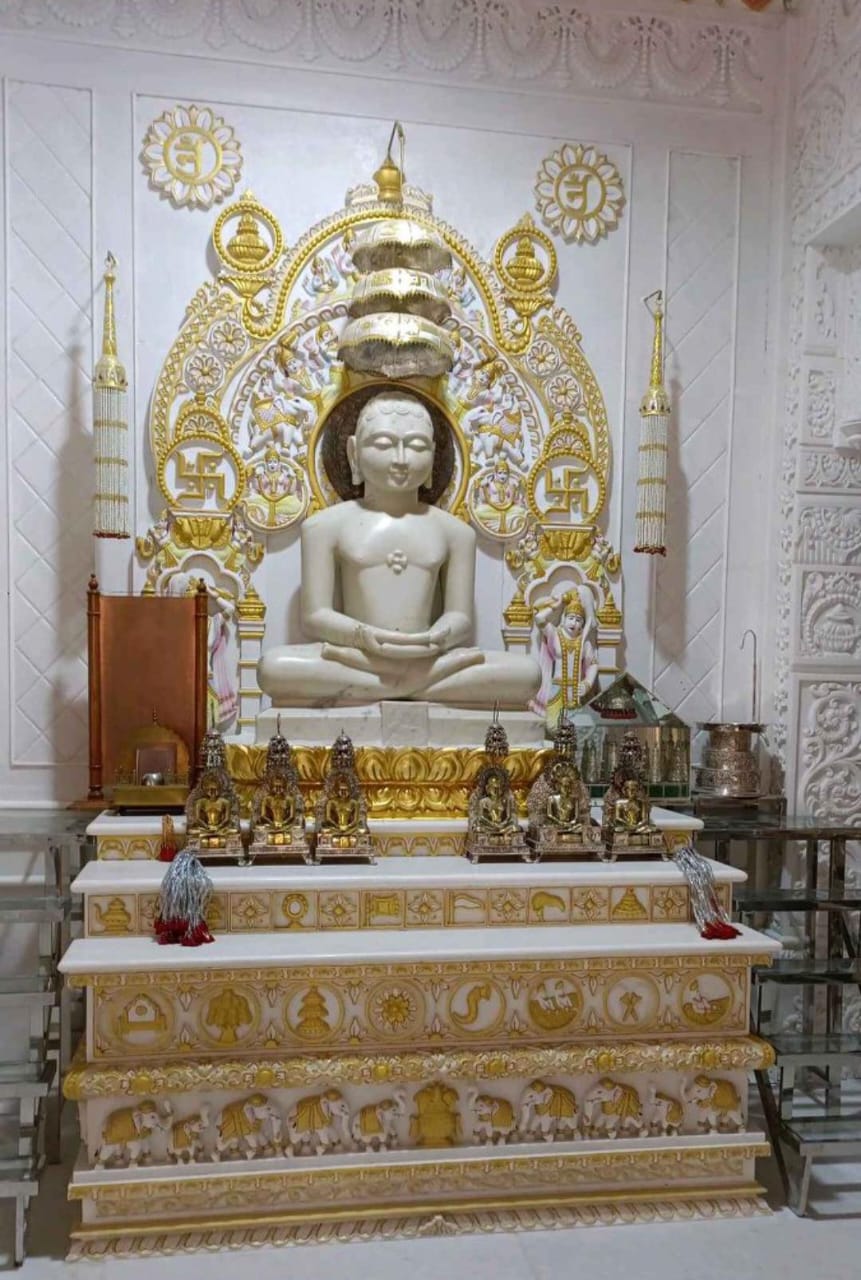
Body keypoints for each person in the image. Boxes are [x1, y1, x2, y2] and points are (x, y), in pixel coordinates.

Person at [257, 391, 540, 707]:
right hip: (356, 658)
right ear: (354, 453)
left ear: (433, 454)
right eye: (383, 444)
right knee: (273, 668)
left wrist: (435, 639)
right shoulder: (324, 527)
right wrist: (363, 636)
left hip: (429, 658)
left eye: (416, 446)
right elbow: (314, 616)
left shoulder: (456, 533)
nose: (401, 459)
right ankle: (410, 686)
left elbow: (459, 616)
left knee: (527, 674)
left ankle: (388, 685)